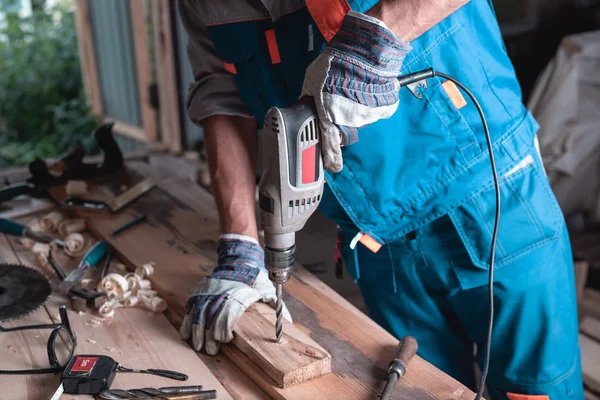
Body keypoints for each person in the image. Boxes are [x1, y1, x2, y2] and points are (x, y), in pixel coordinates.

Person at [177, 1, 583, 398]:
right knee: (418, 390)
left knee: (533, 393)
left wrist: (377, 37)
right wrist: (241, 244)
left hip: (488, 196)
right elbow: (222, 96)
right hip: (373, 235)